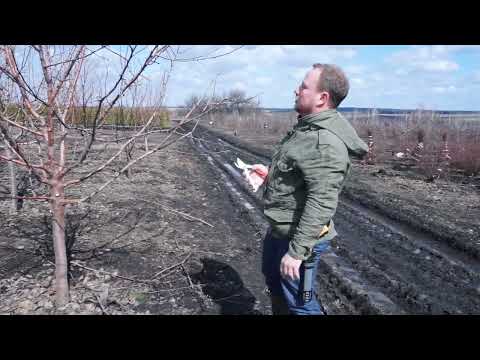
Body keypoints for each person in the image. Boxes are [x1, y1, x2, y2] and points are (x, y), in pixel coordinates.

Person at [261, 63, 368, 315]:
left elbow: (321, 202)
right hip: (280, 229)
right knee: (276, 286)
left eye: (303, 86)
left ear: (322, 98)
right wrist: (268, 176)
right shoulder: (306, 129)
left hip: (298, 238)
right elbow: (297, 175)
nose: (296, 90)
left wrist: (297, 252)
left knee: (301, 306)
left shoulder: (325, 143)